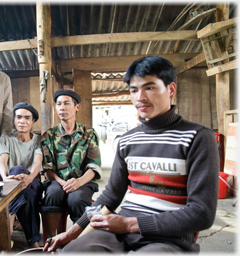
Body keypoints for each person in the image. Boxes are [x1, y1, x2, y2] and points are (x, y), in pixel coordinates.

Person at [43, 56, 219, 253]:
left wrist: (130, 224)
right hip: (120, 229)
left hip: (170, 236)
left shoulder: (197, 137)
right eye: (134, 90)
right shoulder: (127, 140)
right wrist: (71, 233)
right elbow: (110, 196)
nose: (140, 97)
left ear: (171, 90)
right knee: (74, 251)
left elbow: (202, 214)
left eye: (149, 88)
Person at [40, 89, 102, 239]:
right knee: (52, 194)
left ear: (77, 107)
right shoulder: (49, 135)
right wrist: (63, 183)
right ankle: (51, 239)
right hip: (57, 180)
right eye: (59, 104)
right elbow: (47, 168)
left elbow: (94, 166)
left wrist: (78, 182)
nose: (62, 107)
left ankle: (78, 240)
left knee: (77, 199)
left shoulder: (88, 133)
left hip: (83, 181)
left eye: (67, 103)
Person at [0, 102, 43, 248]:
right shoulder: (6, 138)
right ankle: (33, 241)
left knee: (19, 171)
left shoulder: (38, 140)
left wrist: (29, 178)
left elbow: (37, 163)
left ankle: (8, 224)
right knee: (24, 189)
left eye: (27, 118)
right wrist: (5, 179)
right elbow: (2, 162)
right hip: (12, 184)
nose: (22, 121)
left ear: (33, 121)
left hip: (32, 182)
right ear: (14, 120)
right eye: (18, 117)